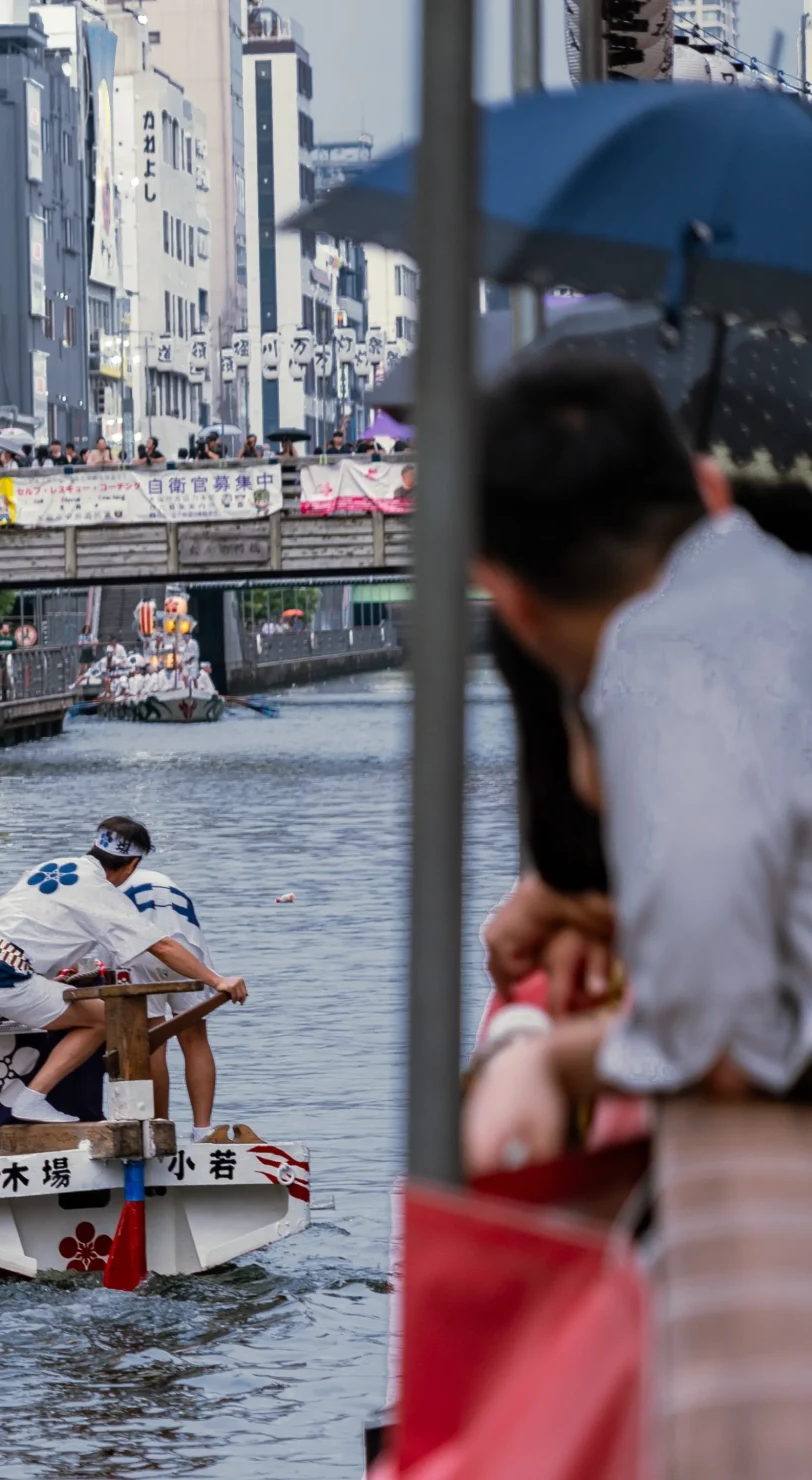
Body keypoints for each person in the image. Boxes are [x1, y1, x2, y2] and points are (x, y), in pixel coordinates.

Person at [456, 358, 812, 1476]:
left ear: (508, 596)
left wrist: (553, 1067)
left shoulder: (656, 667)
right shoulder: (775, 588)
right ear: (705, 491)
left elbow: (717, 1038)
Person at [0, 818, 244, 1157]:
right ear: (131, 866)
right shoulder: (102, 893)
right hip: (7, 976)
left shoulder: (52, 864)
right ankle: (32, 1098)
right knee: (107, 1020)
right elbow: (162, 945)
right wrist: (216, 979)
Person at [123, 862, 224, 1139]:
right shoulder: (165, 880)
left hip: (142, 950)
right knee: (195, 1039)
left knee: (152, 1040)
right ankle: (203, 1129)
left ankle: (159, 1128)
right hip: (187, 948)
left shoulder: (110, 883)